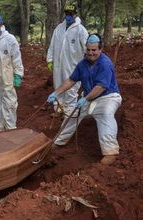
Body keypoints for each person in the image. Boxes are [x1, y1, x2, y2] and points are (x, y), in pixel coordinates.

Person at [47, 34, 122, 165]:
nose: (90, 53)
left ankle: (110, 152)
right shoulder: (83, 64)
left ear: (100, 49)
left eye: (94, 50)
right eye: (88, 50)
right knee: (73, 114)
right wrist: (56, 92)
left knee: (105, 114)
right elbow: (71, 80)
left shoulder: (105, 63)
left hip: (107, 97)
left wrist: (85, 99)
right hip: (89, 97)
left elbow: (101, 87)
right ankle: (58, 142)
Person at [46, 4, 88, 116]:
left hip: (72, 66)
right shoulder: (59, 28)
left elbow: (87, 50)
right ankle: (59, 109)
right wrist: (50, 60)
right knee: (59, 87)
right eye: (66, 14)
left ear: (75, 14)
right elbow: (52, 45)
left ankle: (69, 113)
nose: (68, 17)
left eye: (70, 14)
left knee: (71, 90)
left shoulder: (81, 31)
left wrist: (86, 65)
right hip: (58, 66)